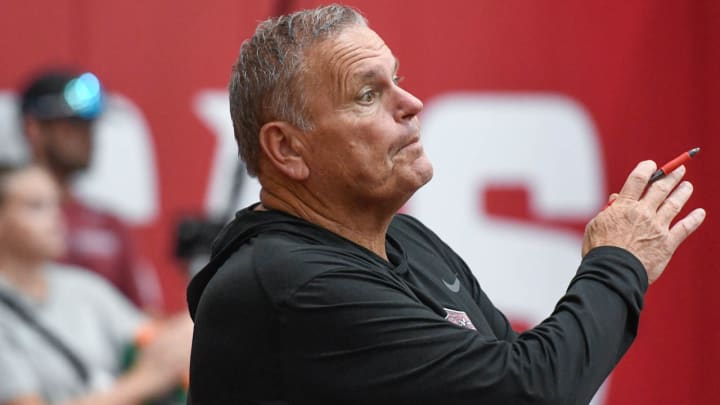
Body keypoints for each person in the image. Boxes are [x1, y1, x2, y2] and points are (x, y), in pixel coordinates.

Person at [186, 5, 706, 404]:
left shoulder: (407, 239)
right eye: (367, 94)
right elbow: (531, 391)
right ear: (288, 149)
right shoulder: (293, 284)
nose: (410, 104)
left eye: (398, 80)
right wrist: (618, 260)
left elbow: (513, 368)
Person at [0, 163, 191, 405]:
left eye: (56, 204)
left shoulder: (83, 286)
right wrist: (146, 381)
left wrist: (197, 317)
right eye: (36, 206)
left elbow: (150, 339)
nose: (56, 218)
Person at [19, 70, 162, 311]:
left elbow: (143, 319)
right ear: (34, 128)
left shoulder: (109, 225)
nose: (87, 137)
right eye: (71, 125)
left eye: (89, 126)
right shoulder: (10, 218)